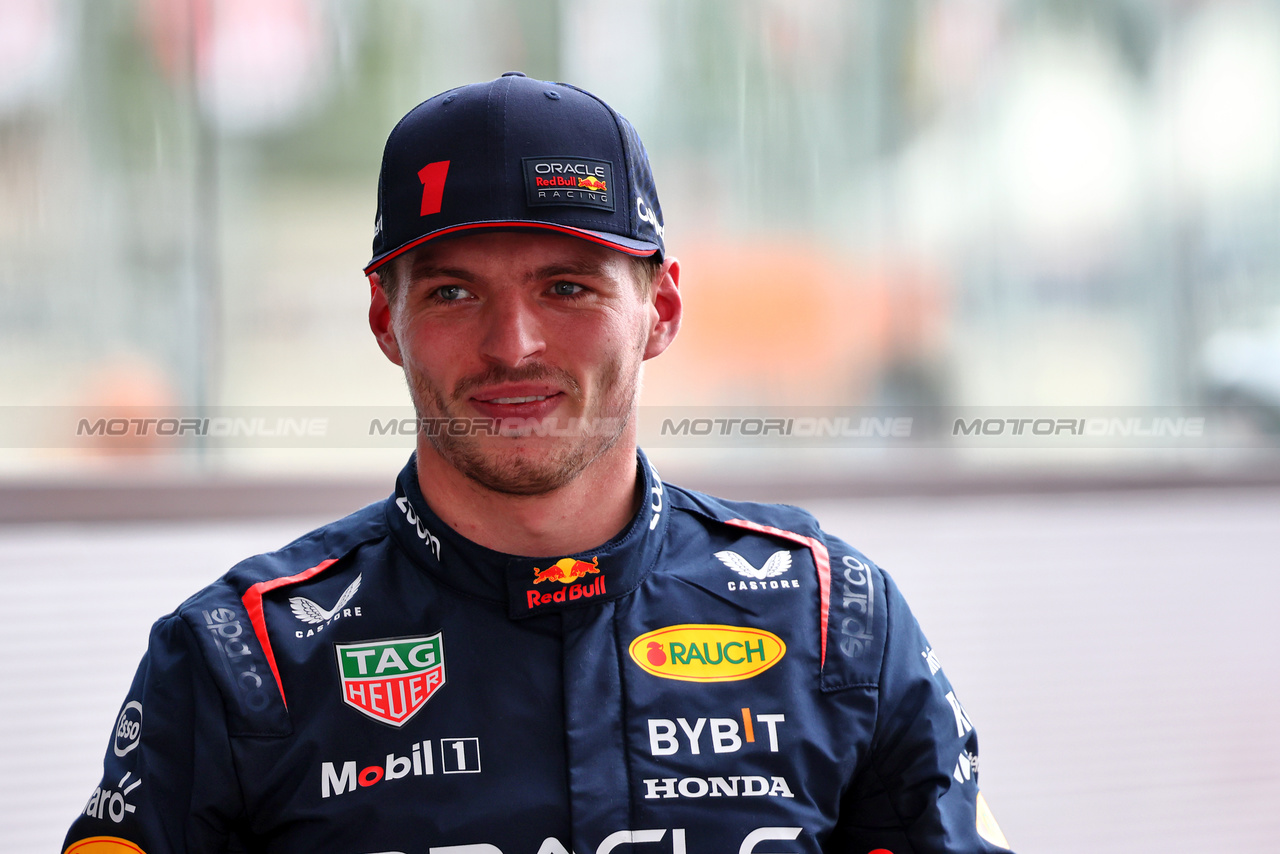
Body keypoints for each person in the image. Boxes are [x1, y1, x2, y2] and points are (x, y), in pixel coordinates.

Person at [64, 72, 1013, 854]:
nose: (512, 345)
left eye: (567, 287)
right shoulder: (242, 660)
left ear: (662, 310)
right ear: (384, 320)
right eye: (452, 293)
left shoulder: (835, 624)